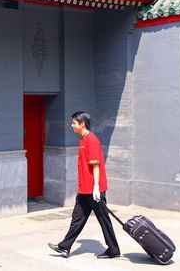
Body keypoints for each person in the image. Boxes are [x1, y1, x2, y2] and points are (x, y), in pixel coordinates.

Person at [48, 111, 120, 259]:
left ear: (82, 124)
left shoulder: (91, 140)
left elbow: (96, 166)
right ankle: (64, 247)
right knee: (77, 218)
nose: (72, 125)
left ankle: (113, 249)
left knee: (103, 219)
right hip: (84, 190)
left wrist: (96, 188)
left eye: (74, 123)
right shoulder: (83, 139)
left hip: (94, 190)